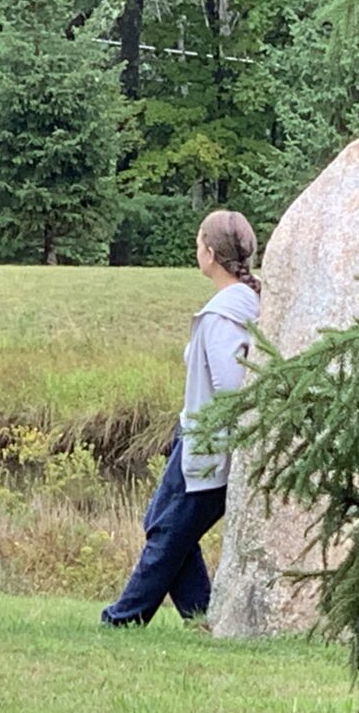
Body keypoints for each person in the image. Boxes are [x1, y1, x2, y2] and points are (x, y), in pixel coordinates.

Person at [101, 210, 261, 627]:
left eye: (198, 244)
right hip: (196, 437)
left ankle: (123, 619)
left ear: (209, 253)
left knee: (168, 533)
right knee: (163, 525)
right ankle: (200, 617)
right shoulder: (247, 303)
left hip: (208, 444)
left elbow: (231, 388)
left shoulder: (222, 316)